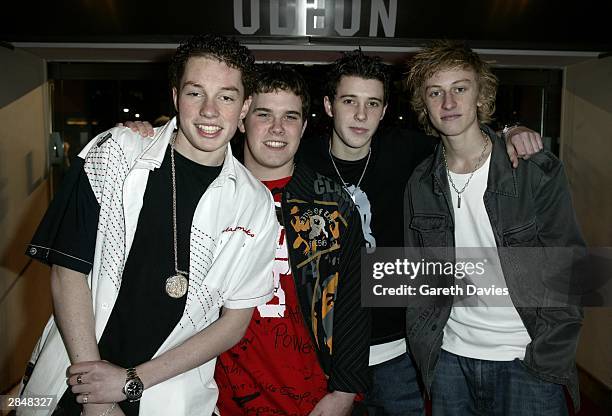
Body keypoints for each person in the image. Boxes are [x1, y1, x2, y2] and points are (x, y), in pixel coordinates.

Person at [19, 34, 278, 416]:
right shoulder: (116, 151)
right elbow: (67, 270)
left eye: (226, 96)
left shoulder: (254, 204)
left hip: (170, 394)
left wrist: (130, 382)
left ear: (244, 106)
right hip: (74, 380)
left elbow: (234, 322)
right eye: (195, 93)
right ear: (175, 97)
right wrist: (97, 397)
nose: (209, 110)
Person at [298, 50, 543, 415]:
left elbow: (467, 136)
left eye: (372, 103)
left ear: (384, 110)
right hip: (320, 354)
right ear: (330, 105)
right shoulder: (301, 158)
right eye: (349, 101)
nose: (361, 115)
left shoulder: (410, 151)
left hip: (398, 354)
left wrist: (511, 130)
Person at [126, 62, 370, 416]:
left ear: (303, 125)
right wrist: (139, 137)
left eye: (290, 116)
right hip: (213, 395)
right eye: (264, 114)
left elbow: (355, 300)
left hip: (312, 397)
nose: (277, 128)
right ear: (242, 119)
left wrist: (345, 390)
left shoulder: (331, 202)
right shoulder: (208, 192)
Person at [403, 40, 585, 415]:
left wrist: (548, 357)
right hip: (450, 360)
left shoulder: (534, 170)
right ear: (424, 104)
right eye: (435, 92)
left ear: (480, 97)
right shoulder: (420, 183)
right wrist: (427, 349)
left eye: (460, 89)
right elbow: (417, 276)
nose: (448, 102)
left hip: (527, 359)